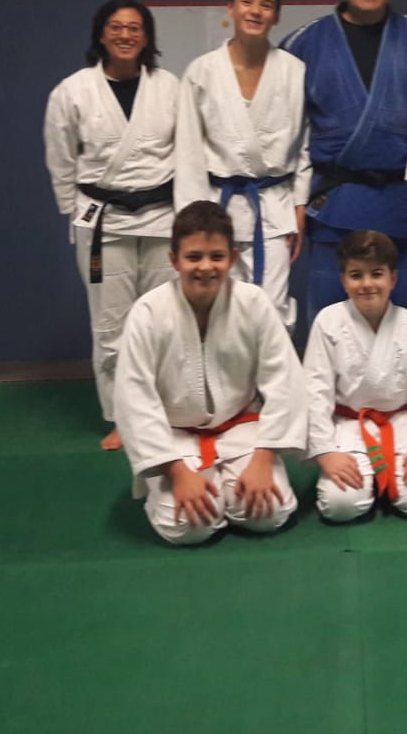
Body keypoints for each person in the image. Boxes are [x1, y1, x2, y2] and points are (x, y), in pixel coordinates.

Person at [112, 202, 307, 545]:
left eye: (216, 256)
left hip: (240, 427)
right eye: (194, 257)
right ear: (174, 260)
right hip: (174, 437)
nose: (205, 266)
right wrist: (176, 471)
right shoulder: (148, 313)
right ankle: (186, 488)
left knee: (268, 513)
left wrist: (264, 459)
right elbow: (134, 397)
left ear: (232, 258)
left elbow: (285, 381)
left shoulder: (253, 303)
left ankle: (227, 487)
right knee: (188, 527)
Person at [280, 0, 407, 326]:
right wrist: (293, 204)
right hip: (337, 206)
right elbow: (287, 136)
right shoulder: (304, 44)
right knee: (331, 327)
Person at [44, 0, 178, 450]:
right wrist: (75, 211)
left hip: (162, 217)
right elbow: (60, 159)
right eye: (116, 27)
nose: (125, 35)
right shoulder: (72, 91)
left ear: (147, 36)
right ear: (101, 34)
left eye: (135, 27)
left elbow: (187, 153)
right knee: (111, 326)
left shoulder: (169, 88)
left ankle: (168, 412)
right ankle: (123, 417)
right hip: (103, 221)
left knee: (165, 319)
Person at [175, 0, 308, 328]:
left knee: (273, 312)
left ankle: (272, 369)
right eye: (246, 2)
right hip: (218, 208)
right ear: (230, 9)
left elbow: (305, 146)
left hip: (274, 207)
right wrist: (191, 220)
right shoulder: (201, 72)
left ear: (276, 16)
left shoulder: (294, 72)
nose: (255, 11)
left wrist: (300, 205)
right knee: (219, 311)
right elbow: (188, 153)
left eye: (266, 5)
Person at [304, 229, 407, 522]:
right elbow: (314, 393)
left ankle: (385, 481)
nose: (367, 284)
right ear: (343, 280)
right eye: (356, 275)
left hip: (404, 424)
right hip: (348, 426)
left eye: (377, 274)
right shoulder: (328, 322)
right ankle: (371, 481)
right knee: (340, 505)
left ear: (393, 279)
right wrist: (326, 453)